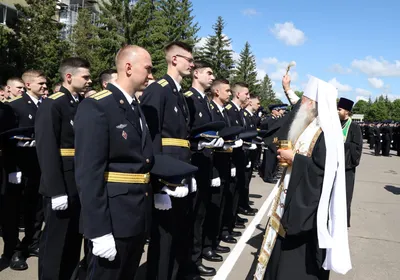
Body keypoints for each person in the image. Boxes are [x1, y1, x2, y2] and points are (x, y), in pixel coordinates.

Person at [255, 76, 351, 280]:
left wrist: (295, 160)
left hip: (306, 212)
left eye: (305, 100)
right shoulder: (309, 126)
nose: (301, 104)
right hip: (289, 199)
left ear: (315, 105)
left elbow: (323, 173)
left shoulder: (325, 133)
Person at [74, 45, 157, 280]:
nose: (151, 75)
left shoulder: (134, 106)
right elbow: (89, 173)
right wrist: (98, 231)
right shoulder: (98, 106)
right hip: (112, 219)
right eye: (148, 68)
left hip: (135, 215)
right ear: (128, 67)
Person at [140, 41, 197, 280]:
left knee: (177, 233)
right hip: (167, 178)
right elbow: (151, 140)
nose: (192, 65)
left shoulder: (178, 93)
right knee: (163, 238)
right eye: (189, 60)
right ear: (174, 59)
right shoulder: (159, 89)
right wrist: (160, 183)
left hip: (179, 173)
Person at [35, 57, 92, 280]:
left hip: (78, 182)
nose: (89, 80)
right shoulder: (53, 104)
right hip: (60, 184)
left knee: (72, 242)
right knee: (55, 244)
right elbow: (47, 150)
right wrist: (56, 190)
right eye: (85, 76)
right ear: (69, 77)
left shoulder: (80, 104)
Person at [0, 70, 47, 271]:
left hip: (39, 167)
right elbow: (7, 140)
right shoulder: (14, 107)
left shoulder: (46, 105)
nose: (45, 86)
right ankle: (13, 251)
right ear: (28, 85)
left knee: (36, 210)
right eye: (41, 83)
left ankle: (31, 242)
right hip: (20, 169)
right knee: (14, 212)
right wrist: (12, 169)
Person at [184, 61, 226, 277]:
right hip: (194, 165)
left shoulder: (206, 103)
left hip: (206, 165)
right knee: (193, 218)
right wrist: (197, 145)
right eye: (208, 73)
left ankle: (196, 258)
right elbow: (183, 134)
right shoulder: (188, 99)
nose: (212, 77)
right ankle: (190, 262)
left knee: (201, 214)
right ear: (196, 73)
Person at [337, 97, 363, 228]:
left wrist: (341, 146)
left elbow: (356, 149)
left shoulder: (354, 127)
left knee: (344, 198)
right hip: (332, 167)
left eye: (339, 109)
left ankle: (342, 224)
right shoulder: (334, 123)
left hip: (346, 168)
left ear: (346, 111)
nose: (337, 111)